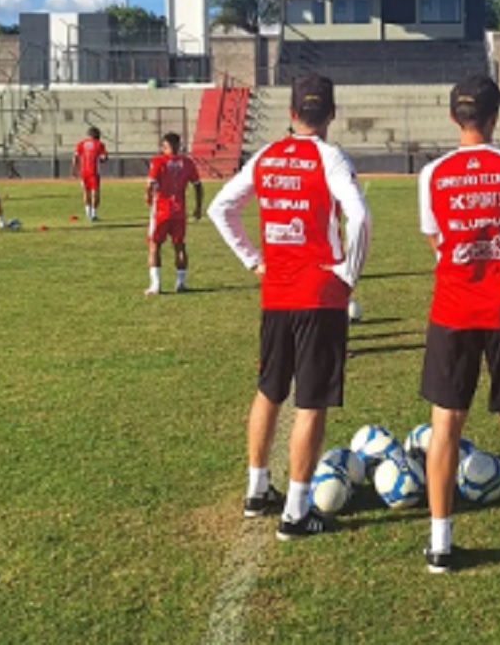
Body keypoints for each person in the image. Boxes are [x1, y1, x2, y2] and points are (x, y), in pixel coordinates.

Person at [209, 74, 370, 540]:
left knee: (269, 389)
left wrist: (253, 260)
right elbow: (358, 215)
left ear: (291, 112)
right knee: (312, 401)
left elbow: (222, 208)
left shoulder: (266, 156)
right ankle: (296, 512)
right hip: (319, 294)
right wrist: (348, 273)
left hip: (276, 293)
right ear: (331, 113)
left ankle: (257, 491)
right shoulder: (331, 157)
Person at [417, 74, 500, 577]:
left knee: (445, 424)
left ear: (456, 117)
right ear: (496, 117)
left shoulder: (432, 173)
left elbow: (435, 240)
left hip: (453, 309)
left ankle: (440, 544)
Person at [145, 133, 202, 295]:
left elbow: (151, 182)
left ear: (166, 146)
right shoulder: (188, 163)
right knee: (180, 246)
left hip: (161, 210)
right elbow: (197, 185)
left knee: (154, 245)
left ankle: (155, 285)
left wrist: (148, 195)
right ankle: (180, 284)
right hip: (179, 210)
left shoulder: (158, 161)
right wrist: (198, 207)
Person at [72, 126, 109, 221]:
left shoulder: (81, 144)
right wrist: (101, 160)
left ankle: (88, 213)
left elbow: (75, 157)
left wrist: (74, 169)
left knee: (85, 191)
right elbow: (104, 157)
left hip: (83, 171)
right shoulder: (99, 144)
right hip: (94, 171)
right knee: (95, 192)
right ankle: (93, 214)